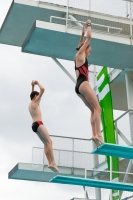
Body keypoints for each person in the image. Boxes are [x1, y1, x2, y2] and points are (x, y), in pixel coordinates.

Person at [74, 20, 104, 146]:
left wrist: (81, 33)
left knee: (93, 110)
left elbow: (81, 44)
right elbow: (89, 37)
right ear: (85, 49)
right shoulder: (81, 54)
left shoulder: (78, 55)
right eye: (89, 51)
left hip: (78, 87)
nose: (89, 53)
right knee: (98, 108)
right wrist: (89, 26)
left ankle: (93, 135)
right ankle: (98, 134)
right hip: (83, 83)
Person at [28, 80, 59, 172]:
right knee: (49, 141)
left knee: (45, 143)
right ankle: (52, 162)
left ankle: (50, 163)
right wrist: (37, 83)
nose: (39, 99)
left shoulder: (30, 104)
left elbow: (31, 94)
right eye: (38, 97)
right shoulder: (35, 102)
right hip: (39, 123)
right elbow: (43, 89)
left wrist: (32, 86)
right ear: (35, 96)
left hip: (34, 126)